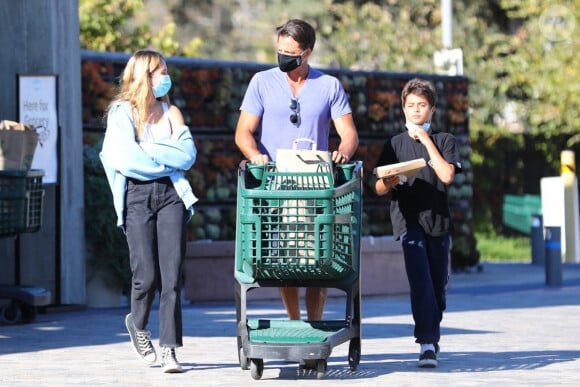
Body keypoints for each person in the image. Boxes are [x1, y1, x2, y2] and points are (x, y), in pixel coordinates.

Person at [234, 19, 359, 322]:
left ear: (307, 52)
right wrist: (255, 156)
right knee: (284, 260)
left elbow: (349, 134)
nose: (283, 58)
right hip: (275, 186)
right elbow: (243, 133)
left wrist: (343, 153)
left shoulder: (328, 86)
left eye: (290, 52)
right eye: (279, 51)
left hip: (314, 186)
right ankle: (293, 320)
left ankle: (314, 324)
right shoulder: (262, 83)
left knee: (317, 260)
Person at [100, 49, 198, 373]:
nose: (165, 77)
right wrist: (162, 155)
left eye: (166, 70)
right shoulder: (121, 114)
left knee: (171, 276)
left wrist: (148, 150)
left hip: (172, 195)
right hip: (137, 197)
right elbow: (126, 160)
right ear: (145, 75)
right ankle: (138, 324)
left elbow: (186, 156)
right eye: (160, 71)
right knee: (146, 276)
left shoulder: (172, 112)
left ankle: (170, 348)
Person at [373, 78, 461, 368]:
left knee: (437, 287)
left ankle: (431, 332)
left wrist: (425, 140)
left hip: (437, 222)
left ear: (432, 109)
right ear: (403, 108)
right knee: (420, 282)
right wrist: (389, 180)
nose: (415, 111)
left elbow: (447, 176)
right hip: (408, 222)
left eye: (421, 106)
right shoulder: (394, 144)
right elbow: (378, 188)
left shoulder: (445, 140)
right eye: (410, 106)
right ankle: (426, 344)